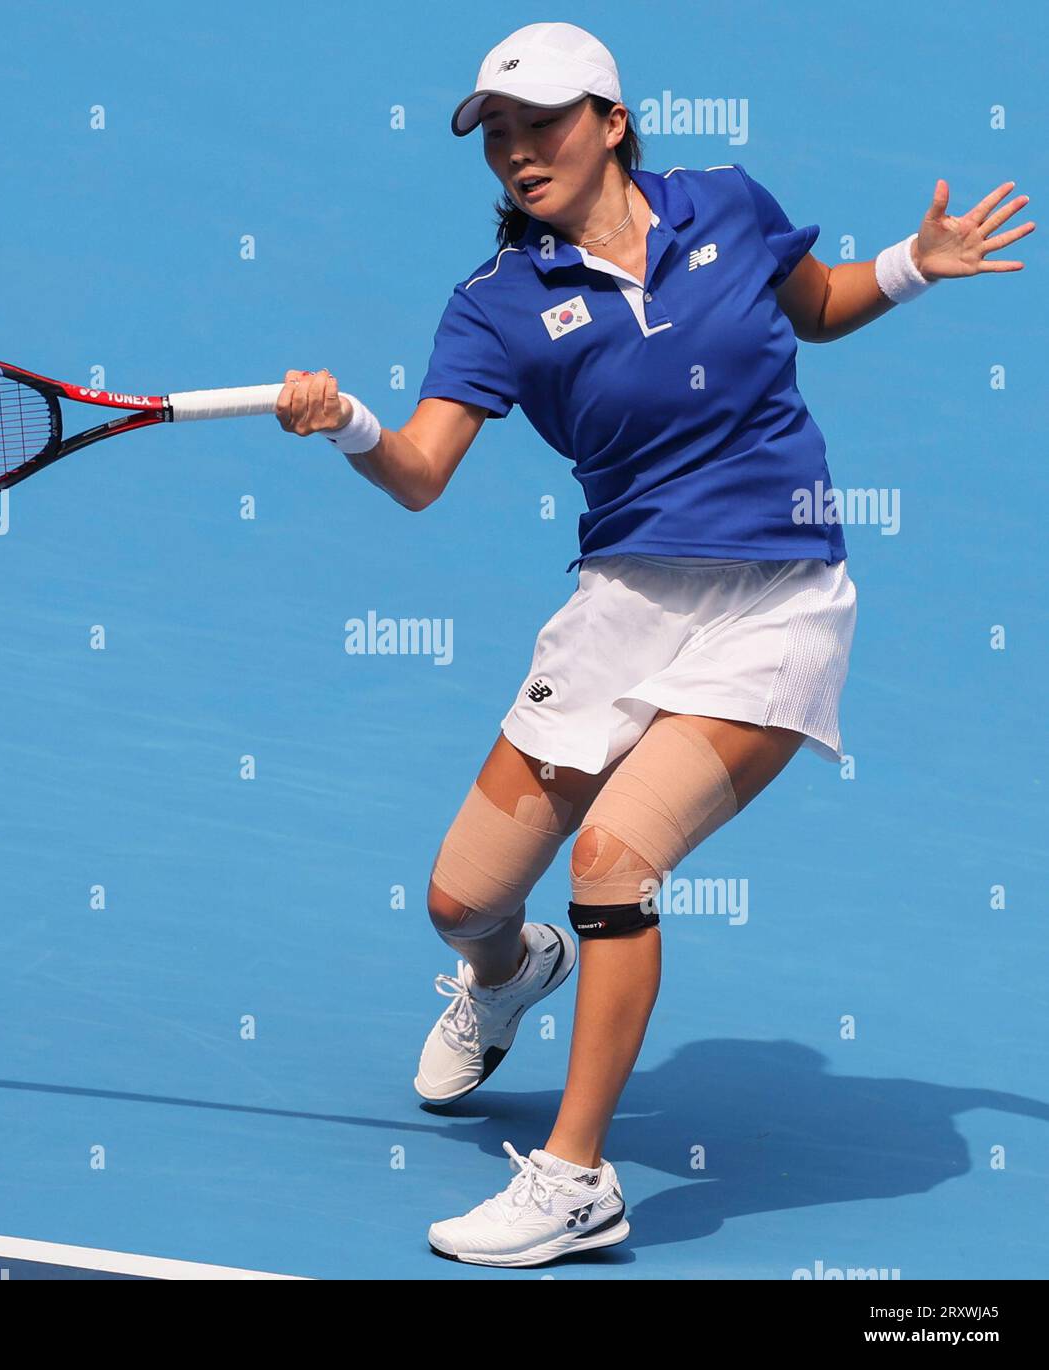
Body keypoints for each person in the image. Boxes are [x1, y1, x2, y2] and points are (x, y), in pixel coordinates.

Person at [275, 21, 1033, 1269]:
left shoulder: (728, 206)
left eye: (542, 125)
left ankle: (577, 1181)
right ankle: (511, 975)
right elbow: (417, 474)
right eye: (497, 137)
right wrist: (348, 419)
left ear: (612, 121)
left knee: (614, 868)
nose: (518, 154)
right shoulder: (497, 307)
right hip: (624, 607)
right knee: (463, 897)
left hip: (780, 604)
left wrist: (913, 262)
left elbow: (819, 306)